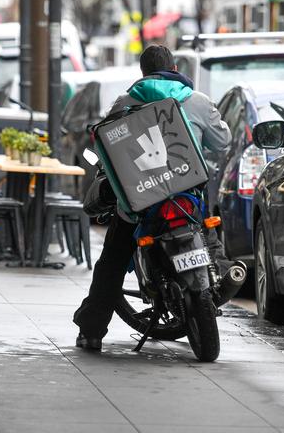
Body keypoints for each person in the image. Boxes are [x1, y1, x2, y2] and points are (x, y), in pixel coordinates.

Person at [73, 44, 232, 351]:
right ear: (174, 68)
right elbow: (222, 140)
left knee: (112, 264)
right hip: (187, 196)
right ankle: (221, 276)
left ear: (144, 73)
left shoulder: (124, 102)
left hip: (141, 204)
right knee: (212, 238)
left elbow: (110, 153)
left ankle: (92, 331)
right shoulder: (198, 101)